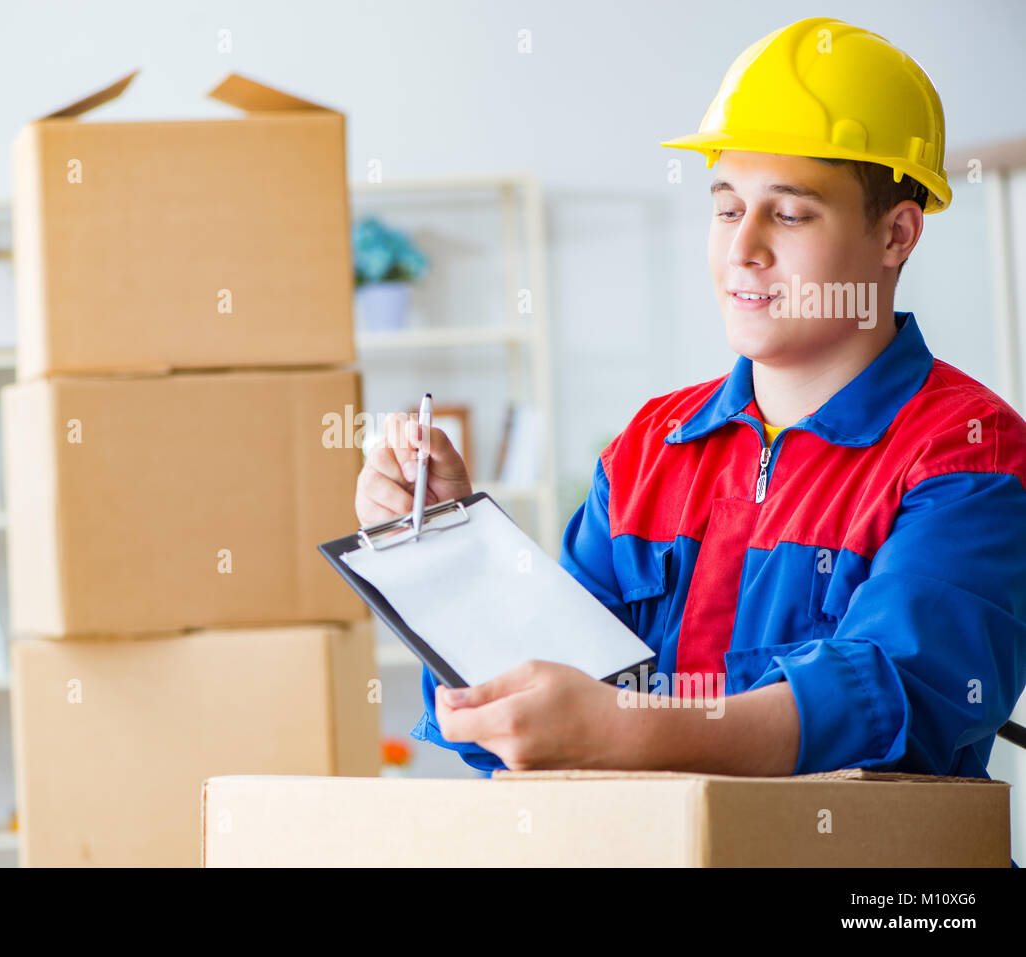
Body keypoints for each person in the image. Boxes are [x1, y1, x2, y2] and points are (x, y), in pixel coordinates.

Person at [353, 16, 1026, 779]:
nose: (744, 248)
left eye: (791, 212)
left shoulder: (969, 451)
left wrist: (620, 731)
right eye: (728, 208)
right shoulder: (651, 446)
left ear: (897, 235)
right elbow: (526, 709)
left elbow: (895, 702)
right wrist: (452, 555)